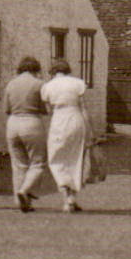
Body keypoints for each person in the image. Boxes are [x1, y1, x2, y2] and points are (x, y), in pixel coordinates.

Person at [41, 59, 93, 213]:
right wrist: (90, 131)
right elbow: (84, 109)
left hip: (59, 121)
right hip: (76, 119)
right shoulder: (77, 83)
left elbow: (48, 110)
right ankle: (72, 198)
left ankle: (66, 198)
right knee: (76, 159)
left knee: (57, 159)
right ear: (67, 70)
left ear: (53, 72)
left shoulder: (47, 87)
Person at [2, 56, 48, 212]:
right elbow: (44, 109)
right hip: (32, 122)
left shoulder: (11, 84)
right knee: (38, 163)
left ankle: (21, 201)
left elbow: (7, 109)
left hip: (13, 123)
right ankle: (25, 190)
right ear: (36, 69)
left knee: (18, 165)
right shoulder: (39, 84)